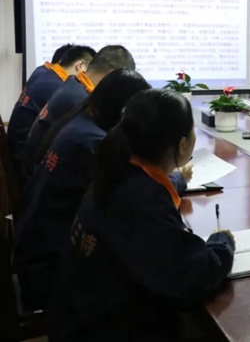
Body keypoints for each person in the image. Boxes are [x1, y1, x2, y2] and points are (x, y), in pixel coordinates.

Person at [49, 89, 235, 341]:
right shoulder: (142, 199)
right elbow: (191, 278)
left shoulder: (118, 168)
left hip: (80, 316)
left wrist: (177, 182)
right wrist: (223, 243)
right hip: (111, 328)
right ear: (182, 144)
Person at [14, 69, 155, 311]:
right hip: (48, 274)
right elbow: (136, 190)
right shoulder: (91, 142)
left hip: (36, 257)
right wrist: (175, 177)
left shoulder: (79, 122)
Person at [23, 45, 136, 183]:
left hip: (34, 172)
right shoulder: (79, 100)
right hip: (32, 176)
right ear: (112, 76)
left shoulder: (74, 84)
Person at [7, 45, 96, 178]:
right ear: (80, 65)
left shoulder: (42, 72)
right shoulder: (60, 88)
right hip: (25, 164)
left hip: (17, 150)